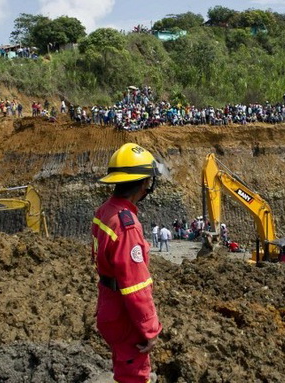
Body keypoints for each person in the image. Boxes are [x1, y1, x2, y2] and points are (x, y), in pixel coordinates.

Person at [92, 143, 162, 383]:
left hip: (109, 304)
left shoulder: (105, 212)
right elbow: (135, 286)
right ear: (144, 183)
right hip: (124, 313)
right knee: (135, 374)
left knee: (123, 366)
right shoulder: (126, 225)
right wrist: (150, 329)